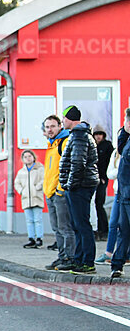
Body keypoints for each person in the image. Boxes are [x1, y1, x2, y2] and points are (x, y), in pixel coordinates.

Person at [57, 105, 100, 273]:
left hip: (80, 186)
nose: (62, 122)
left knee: (82, 224)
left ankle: (87, 262)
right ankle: (79, 259)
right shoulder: (77, 135)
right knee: (77, 224)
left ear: (71, 119)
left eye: (64, 118)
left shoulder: (80, 136)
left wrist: (70, 185)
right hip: (79, 185)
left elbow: (77, 163)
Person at [42, 115, 75, 270]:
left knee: (65, 227)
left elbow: (69, 167)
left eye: (53, 126)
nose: (50, 129)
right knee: (56, 228)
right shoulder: (51, 145)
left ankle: (69, 257)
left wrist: (60, 189)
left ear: (60, 126)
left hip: (59, 193)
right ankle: (62, 256)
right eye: (47, 127)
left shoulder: (65, 142)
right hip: (50, 193)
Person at [109, 109, 130, 277]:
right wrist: (124, 131)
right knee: (123, 230)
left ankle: (117, 263)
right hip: (124, 193)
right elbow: (121, 149)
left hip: (128, 193)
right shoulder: (128, 139)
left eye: (126, 120)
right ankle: (117, 265)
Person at [14, 150, 45, 249]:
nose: (28, 158)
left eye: (30, 156)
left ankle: (39, 238)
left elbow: (44, 179)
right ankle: (31, 238)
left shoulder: (39, 168)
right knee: (29, 220)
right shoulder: (21, 172)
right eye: (25, 157)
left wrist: (38, 187)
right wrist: (21, 191)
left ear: (33, 157)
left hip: (36, 197)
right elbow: (17, 183)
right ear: (23, 159)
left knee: (38, 219)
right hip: (26, 198)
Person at [93, 127, 113, 240]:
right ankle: (96, 229)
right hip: (93, 178)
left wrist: (104, 177)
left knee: (99, 204)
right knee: (93, 205)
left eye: (100, 134)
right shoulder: (92, 145)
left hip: (103, 179)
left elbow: (110, 162)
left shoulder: (107, 146)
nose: (98, 136)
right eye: (96, 134)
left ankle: (104, 230)